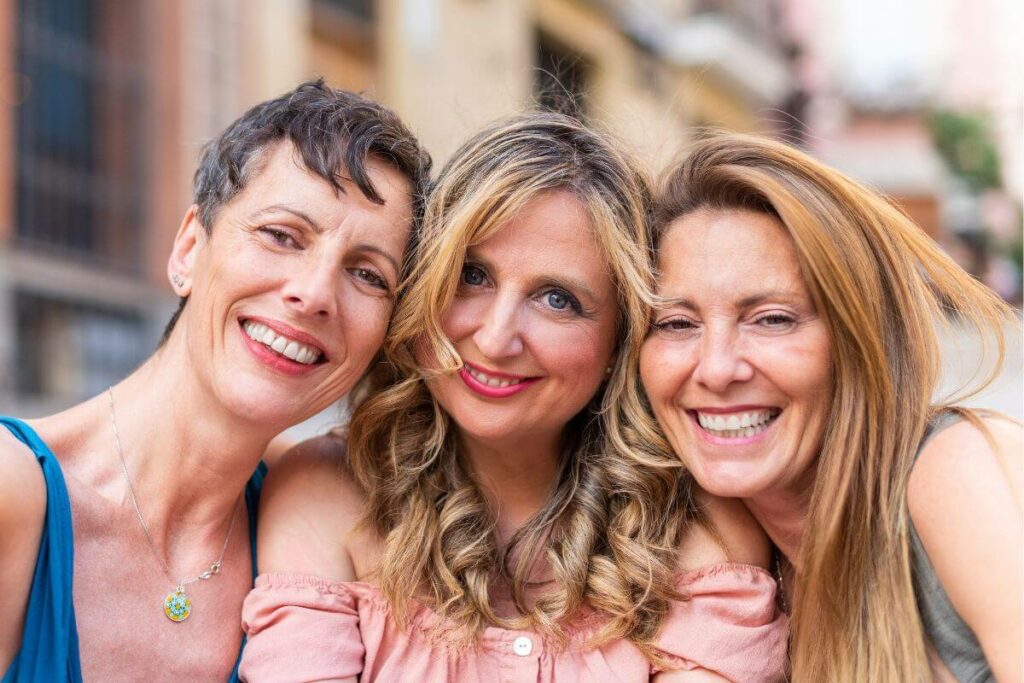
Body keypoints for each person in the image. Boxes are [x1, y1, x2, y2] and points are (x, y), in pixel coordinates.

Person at [239, 113, 788, 682]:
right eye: (472, 275)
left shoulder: (701, 524)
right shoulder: (322, 492)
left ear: (619, 339)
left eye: (557, 299)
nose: (497, 338)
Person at [0, 80, 430, 682]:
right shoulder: (14, 493)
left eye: (367, 274)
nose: (313, 294)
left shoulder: (320, 522)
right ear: (188, 250)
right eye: (282, 236)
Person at [640, 133, 1022, 682]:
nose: (717, 369)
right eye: (677, 324)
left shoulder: (957, 471)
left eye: (771, 318)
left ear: (857, 337)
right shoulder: (721, 561)